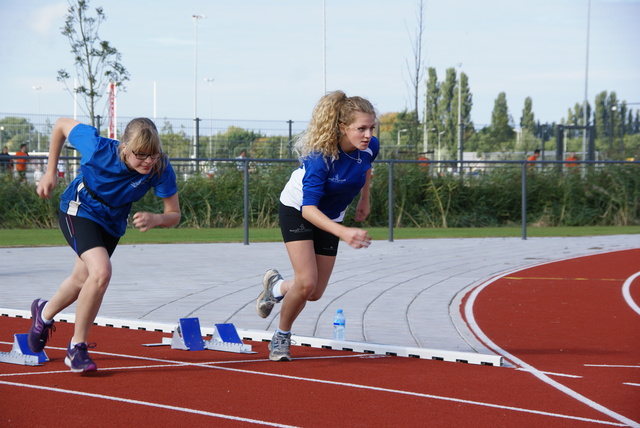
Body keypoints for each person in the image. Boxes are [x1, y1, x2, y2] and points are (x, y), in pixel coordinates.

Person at [29, 117, 181, 373]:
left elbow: (174, 214)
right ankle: (77, 348)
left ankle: (43, 314)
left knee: (81, 280)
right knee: (101, 272)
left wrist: (157, 219)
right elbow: (61, 126)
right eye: (141, 155)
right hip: (80, 209)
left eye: (153, 155)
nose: (148, 161)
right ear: (124, 147)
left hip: (112, 221)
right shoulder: (97, 147)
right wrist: (50, 170)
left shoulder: (160, 168)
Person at [255, 90, 378, 361]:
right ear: (343, 127)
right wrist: (344, 232)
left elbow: (367, 167)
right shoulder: (320, 157)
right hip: (298, 210)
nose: (368, 134)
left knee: (314, 293)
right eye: (361, 128)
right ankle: (281, 337)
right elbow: (308, 209)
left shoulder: (370, 146)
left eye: (371, 127)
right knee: (307, 282)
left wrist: (364, 199)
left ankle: (275, 287)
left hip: (331, 217)